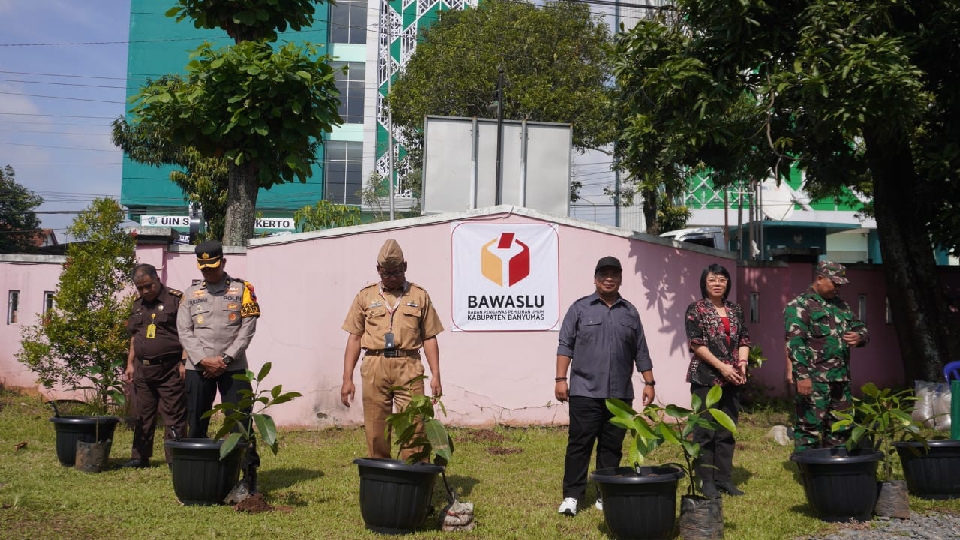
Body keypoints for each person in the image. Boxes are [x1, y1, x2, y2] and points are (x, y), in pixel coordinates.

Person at [555, 256, 657, 517]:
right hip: (584, 391)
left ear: (620, 279)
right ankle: (572, 496)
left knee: (612, 446)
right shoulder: (579, 309)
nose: (609, 279)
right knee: (579, 444)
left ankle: (604, 492)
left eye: (614, 274)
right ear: (595, 278)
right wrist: (560, 379)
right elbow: (565, 345)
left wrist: (649, 382)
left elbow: (641, 350)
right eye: (604, 274)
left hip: (619, 394)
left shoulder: (630, 312)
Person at [340, 239, 444, 459]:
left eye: (397, 272)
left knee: (414, 424)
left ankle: (414, 472)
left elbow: (429, 337)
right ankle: (380, 473)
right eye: (387, 273)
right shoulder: (365, 296)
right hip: (374, 365)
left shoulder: (419, 296)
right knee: (376, 427)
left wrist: (436, 375)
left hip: (409, 365)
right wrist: (347, 378)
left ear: (405, 266)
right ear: (378, 270)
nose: (392, 277)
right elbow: (354, 338)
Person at [177, 240, 262, 493]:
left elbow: (247, 329)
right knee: (196, 421)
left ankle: (247, 478)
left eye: (213, 267)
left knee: (240, 422)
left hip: (233, 367)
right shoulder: (190, 294)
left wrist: (225, 359)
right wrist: (203, 360)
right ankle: (197, 476)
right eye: (204, 268)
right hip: (198, 367)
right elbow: (184, 330)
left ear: (223, 262)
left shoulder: (242, 290)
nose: (208, 272)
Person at [785, 260, 869, 451]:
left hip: (841, 379)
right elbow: (795, 344)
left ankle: (834, 465)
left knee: (841, 427)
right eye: (834, 283)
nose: (838, 288)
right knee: (809, 429)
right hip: (815, 380)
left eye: (840, 284)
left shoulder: (841, 306)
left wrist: (860, 337)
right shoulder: (799, 306)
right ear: (820, 279)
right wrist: (802, 377)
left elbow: (861, 328)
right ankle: (810, 467)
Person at [684, 263, 751, 497]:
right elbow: (696, 344)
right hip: (706, 377)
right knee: (705, 431)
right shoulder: (696, 309)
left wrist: (742, 363)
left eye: (722, 279)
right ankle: (706, 480)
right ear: (704, 283)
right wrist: (722, 367)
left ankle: (723, 479)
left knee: (726, 430)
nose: (717, 283)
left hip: (733, 378)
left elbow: (744, 340)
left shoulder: (736, 310)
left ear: (727, 284)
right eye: (712, 279)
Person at [123, 263, 188, 468]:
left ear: (157, 279)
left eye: (148, 286)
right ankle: (139, 457)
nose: (145, 291)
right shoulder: (137, 305)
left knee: (174, 415)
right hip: (143, 369)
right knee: (142, 414)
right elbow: (135, 336)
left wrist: (184, 362)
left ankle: (175, 459)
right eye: (140, 288)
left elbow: (187, 333)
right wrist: (130, 363)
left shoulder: (176, 300)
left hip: (170, 368)